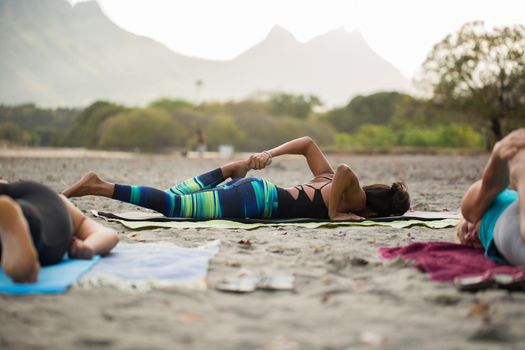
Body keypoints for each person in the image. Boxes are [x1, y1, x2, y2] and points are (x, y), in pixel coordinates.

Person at [63, 136, 410, 222]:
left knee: (171, 196)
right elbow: (347, 171)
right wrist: (335, 214)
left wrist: (270, 156)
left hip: (254, 191)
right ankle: (99, 186)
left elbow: (307, 144)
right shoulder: (357, 200)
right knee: (173, 208)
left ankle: (226, 171)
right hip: (255, 200)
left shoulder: (330, 177)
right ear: (381, 212)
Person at [0, 180, 119, 283]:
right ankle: (22, 216)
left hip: (34, 199)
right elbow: (109, 234)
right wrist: (87, 246)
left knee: (37, 228)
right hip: (45, 202)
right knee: (40, 233)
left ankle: (22, 216)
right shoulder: (67, 211)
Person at [457, 128, 525, 265]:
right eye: (470, 244)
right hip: (508, 225)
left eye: (465, 230)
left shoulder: (502, 201)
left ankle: (492, 183)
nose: (469, 237)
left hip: (502, 211)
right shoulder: (494, 239)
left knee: (469, 209)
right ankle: (520, 173)